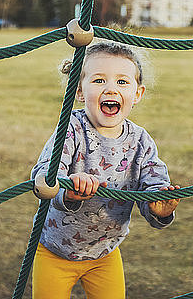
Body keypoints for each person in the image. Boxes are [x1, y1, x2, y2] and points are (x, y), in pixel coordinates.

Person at [31, 41, 180, 299]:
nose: (111, 88)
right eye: (99, 80)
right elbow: (43, 174)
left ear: (138, 93)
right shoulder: (71, 129)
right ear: (79, 90)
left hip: (105, 253)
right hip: (53, 251)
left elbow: (154, 186)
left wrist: (159, 207)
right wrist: (67, 190)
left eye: (122, 82)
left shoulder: (141, 142)